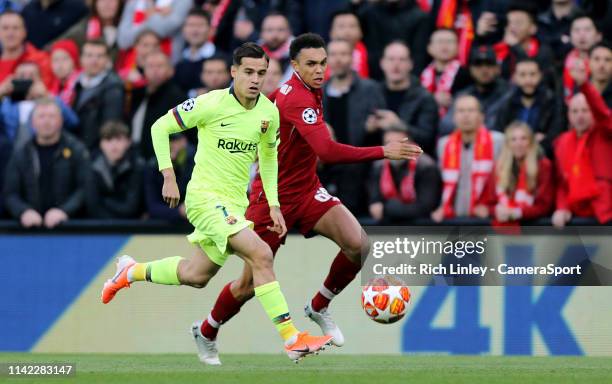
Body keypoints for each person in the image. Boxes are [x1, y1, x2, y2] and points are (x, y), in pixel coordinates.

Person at [99, 42, 334, 362]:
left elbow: (268, 159)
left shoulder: (268, 113)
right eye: (248, 72)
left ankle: (130, 271)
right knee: (261, 254)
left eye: (262, 73)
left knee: (197, 275)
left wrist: (275, 205)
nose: (255, 79)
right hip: (204, 198)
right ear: (234, 72)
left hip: (235, 205)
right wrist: (168, 175)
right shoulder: (210, 104)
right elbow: (159, 126)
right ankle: (292, 337)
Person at [196, 33, 421, 365]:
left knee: (359, 245)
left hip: (306, 189)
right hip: (272, 198)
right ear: (295, 65)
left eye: (323, 63)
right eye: (311, 64)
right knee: (247, 285)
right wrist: (383, 151)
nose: (320, 70)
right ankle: (206, 330)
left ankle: (318, 306)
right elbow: (327, 151)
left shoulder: (305, 92)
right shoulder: (296, 97)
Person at [321, 39, 387, 214]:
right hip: (326, 167)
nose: (338, 59)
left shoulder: (370, 88)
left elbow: (382, 124)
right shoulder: (318, 91)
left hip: (359, 165)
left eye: (343, 54)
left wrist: (371, 129)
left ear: (352, 58)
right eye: (333, 55)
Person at [3, 97, 89, 228]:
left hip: (70, 229)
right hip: (30, 230)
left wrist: (65, 211)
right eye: (41, 116)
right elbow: (10, 193)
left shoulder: (77, 150)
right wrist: (23, 211)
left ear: (60, 121)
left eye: (51, 116)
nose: (46, 121)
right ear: (32, 122)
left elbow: (85, 188)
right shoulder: (21, 153)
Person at [552, 60, 612, 227]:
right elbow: (562, 183)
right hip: (575, 217)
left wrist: (584, 85)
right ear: (569, 115)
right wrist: (562, 207)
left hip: (604, 216)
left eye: (585, 110)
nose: (580, 116)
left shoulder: (605, 131)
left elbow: (603, 114)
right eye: (575, 111)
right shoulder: (562, 142)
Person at [432, 94, 504, 222]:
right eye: (461, 111)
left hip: (486, 216)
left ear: (481, 116)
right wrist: (442, 207)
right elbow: (442, 184)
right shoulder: (444, 144)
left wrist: (492, 208)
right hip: (454, 216)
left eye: (471, 110)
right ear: (454, 117)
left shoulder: (497, 141)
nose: (466, 115)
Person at [477, 121, 554, 225]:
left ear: (531, 142)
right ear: (508, 144)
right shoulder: (498, 167)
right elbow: (487, 204)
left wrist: (517, 213)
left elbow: (545, 206)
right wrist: (496, 211)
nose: (518, 143)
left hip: (532, 228)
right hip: (502, 228)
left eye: (523, 138)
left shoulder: (543, 166)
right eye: (513, 139)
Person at [375, 40, 438, 154]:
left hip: (412, 160)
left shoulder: (424, 98)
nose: (396, 64)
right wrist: (367, 128)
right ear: (382, 63)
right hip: (377, 160)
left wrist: (399, 125)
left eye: (402, 59)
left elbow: (428, 138)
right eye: (391, 59)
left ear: (410, 64)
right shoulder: (372, 93)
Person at [368, 127, 441, 224]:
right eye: (388, 143)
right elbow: (374, 204)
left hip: (420, 229)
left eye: (399, 144)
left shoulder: (426, 166)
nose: (394, 149)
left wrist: (386, 208)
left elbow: (425, 208)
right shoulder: (378, 166)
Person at [494, 58, 563, 155]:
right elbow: (500, 132)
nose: (528, 80)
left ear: (540, 75)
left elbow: (556, 133)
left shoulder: (551, 101)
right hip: (512, 155)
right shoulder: (506, 103)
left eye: (532, 74)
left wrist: (543, 141)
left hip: (542, 154)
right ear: (515, 77)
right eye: (522, 75)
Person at [439, 45, 509, 136]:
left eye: (489, 64)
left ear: (497, 68)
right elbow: (446, 125)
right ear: (470, 69)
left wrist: (468, 125)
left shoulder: (508, 93)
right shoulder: (463, 95)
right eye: (478, 64)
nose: (484, 69)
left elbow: (499, 127)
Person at [128, 51, 186, 160]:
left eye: (160, 66)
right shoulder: (138, 93)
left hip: (160, 158)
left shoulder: (177, 97)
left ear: (170, 70)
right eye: (150, 66)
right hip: (134, 152)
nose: (155, 70)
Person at [86, 121, 144, 219]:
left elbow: (132, 208)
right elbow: (92, 207)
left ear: (128, 142)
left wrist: (104, 201)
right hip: (98, 228)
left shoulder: (138, 166)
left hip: (132, 229)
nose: (114, 145)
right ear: (101, 144)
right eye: (108, 139)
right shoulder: (91, 167)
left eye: (119, 139)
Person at [73, 39, 124, 150]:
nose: (94, 60)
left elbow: (110, 127)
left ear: (107, 59)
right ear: (81, 59)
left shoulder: (113, 87)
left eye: (99, 56)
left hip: (96, 151)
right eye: (89, 55)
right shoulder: (77, 83)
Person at [420, 28, 472, 116]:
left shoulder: (467, 75)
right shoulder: (421, 74)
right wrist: (433, 99)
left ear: (457, 47)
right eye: (440, 41)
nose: (445, 46)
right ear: (429, 48)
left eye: (449, 41)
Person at [143, 132, 194, 222]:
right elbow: (152, 207)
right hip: (162, 224)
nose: (170, 145)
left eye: (174, 140)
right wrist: (180, 211)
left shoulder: (196, 163)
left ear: (184, 141)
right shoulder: (152, 167)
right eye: (166, 141)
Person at [0, 11, 53, 88]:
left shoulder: (41, 60)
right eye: (5, 28)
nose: (10, 33)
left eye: (15, 28)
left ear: (24, 32)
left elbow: (50, 92)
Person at [173, 8, 219, 93]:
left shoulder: (221, 59)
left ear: (211, 30)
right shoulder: (180, 62)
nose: (195, 30)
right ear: (183, 30)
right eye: (191, 25)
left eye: (200, 25)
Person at [328, 10, 369, 78]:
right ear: (331, 32)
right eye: (341, 26)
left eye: (352, 26)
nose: (347, 31)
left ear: (361, 32)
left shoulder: (370, 56)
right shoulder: (319, 57)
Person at [588, 42, 612, 108]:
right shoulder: (578, 89)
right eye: (596, 59)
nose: (601, 65)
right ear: (589, 62)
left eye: (607, 60)